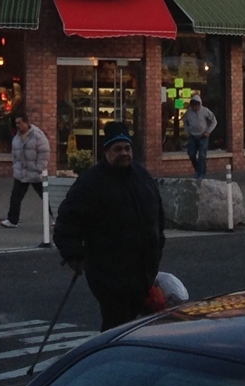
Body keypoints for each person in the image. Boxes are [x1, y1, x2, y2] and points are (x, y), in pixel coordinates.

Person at [53, 122, 166, 330]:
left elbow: (157, 210)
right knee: (117, 326)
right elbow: (67, 220)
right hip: (110, 275)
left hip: (143, 273)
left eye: (127, 148)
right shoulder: (91, 183)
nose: (124, 153)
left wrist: (159, 242)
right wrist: (73, 255)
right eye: (117, 149)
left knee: (139, 327)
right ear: (106, 152)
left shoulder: (141, 175)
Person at [2, 111, 50, 229]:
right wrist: (16, 166)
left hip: (35, 172)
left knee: (46, 197)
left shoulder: (37, 135)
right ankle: (12, 220)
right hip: (22, 173)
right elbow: (15, 153)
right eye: (16, 123)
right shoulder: (17, 137)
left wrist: (40, 168)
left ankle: (59, 218)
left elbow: (44, 152)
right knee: (15, 197)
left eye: (19, 122)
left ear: (26, 123)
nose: (17, 125)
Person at [182, 95, 216, 181]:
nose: (195, 108)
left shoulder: (205, 111)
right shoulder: (189, 112)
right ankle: (198, 169)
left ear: (199, 105)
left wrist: (208, 131)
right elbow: (185, 121)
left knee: (202, 155)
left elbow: (214, 121)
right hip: (193, 136)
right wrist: (187, 131)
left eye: (196, 106)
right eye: (193, 107)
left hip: (203, 136)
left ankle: (201, 174)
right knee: (191, 154)